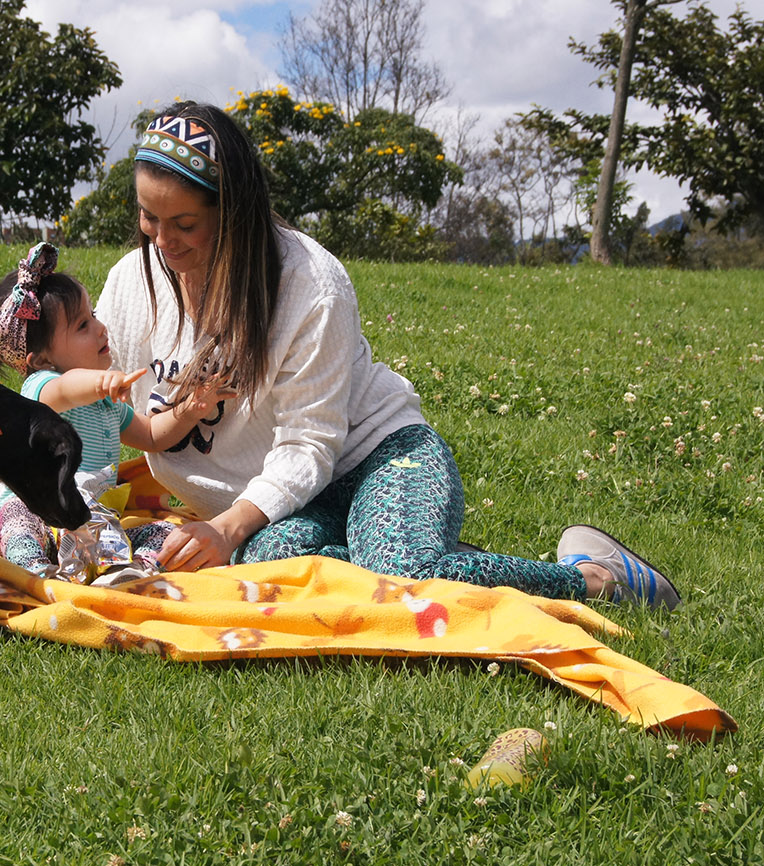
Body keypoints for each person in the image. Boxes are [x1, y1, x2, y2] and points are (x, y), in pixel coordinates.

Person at [95, 101, 680, 609]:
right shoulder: (132, 283)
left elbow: (308, 446)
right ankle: (405, 546)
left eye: (185, 223)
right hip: (276, 505)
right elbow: (94, 402)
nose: (162, 241)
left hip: (376, 458)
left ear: (236, 213)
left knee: (402, 579)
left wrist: (225, 526)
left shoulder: (309, 284)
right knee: (266, 564)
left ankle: (595, 577)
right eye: (148, 217)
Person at [0, 241, 233, 583]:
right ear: (40, 360)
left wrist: (190, 409)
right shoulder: (41, 389)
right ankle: (33, 572)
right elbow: (68, 389)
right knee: (18, 521)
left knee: (167, 532)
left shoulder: (108, 405)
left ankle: (129, 568)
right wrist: (103, 382)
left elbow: (153, 435)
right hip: (37, 507)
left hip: (90, 520)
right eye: (82, 325)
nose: (100, 328)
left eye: (93, 315)